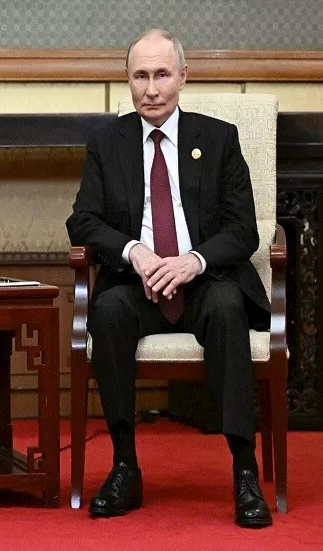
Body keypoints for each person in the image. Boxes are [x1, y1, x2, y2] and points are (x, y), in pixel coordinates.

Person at [66, 29, 272, 527]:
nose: (152, 89)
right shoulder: (107, 143)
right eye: (141, 76)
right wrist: (134, 251)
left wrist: (193, 261)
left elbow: (243, 228)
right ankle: (124, 466)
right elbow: (83, 220)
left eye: (162, 75)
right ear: (128, 80)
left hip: (204, 282)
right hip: (135, 285)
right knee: (107, 311)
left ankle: (245, 471)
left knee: (227, 308)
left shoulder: (218, 139)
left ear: (183, 77)